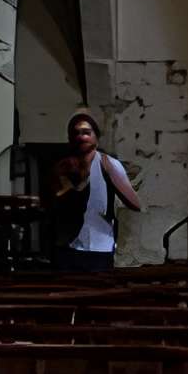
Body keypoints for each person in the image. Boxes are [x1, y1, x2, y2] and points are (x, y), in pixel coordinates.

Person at [45, 107, 140, 272]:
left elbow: (135, 203)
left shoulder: (107, 164)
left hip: (99, 247)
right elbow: (52, 202)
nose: (81, 137)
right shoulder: (63, 167)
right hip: (67, 247)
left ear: (96, 136)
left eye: (86, 132)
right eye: (76, 133)